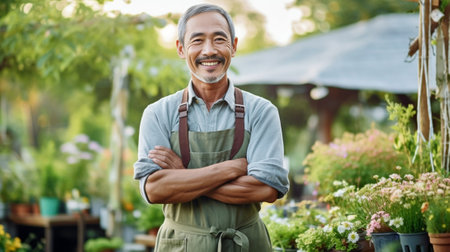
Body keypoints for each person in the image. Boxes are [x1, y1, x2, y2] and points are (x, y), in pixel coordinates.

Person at [133, 4, 289, 251]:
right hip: (180, 245)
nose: (209, 50)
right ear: (181, 49)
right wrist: (233, 168)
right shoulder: (158, 113)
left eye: (219, 39)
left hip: (246, 244)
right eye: (197, 41)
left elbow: (267, 188)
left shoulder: (261, 111)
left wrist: (183, 174)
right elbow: (154, 189)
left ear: (233, 46)